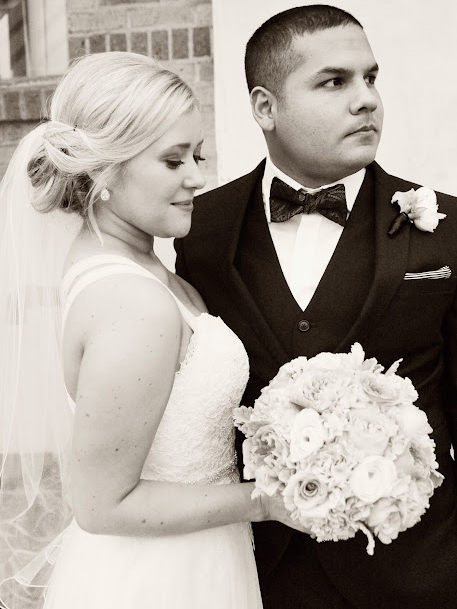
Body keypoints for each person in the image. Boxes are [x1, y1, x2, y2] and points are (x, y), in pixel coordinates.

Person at [175, 5, 457, 609]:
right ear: (265, 107)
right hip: (258, 576)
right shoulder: (201, 230)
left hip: (418, 576)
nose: (367, 100)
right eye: (334, 82)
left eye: (370, 78)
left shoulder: (447, 228)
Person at [0, 51, 304, 609]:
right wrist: (265, 501)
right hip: (160, 579)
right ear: (105, 171)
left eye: (197, 154)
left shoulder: (132, 265)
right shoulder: (133, 303)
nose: (197, 177)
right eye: (172, 160)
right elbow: (101, 504)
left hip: (198, 555)